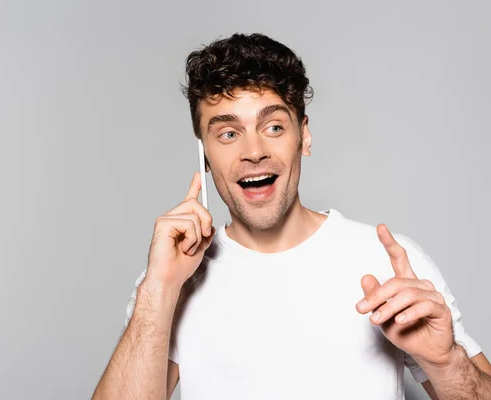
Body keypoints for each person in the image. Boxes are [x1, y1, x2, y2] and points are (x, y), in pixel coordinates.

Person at [92, 33, 491, 399]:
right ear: (205, 157)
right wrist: (159, 289)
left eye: (274, 126)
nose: (253, 151)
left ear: (305, 136)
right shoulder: (171, 280)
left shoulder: (390, 261)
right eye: (228, 134)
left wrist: (445, 361)